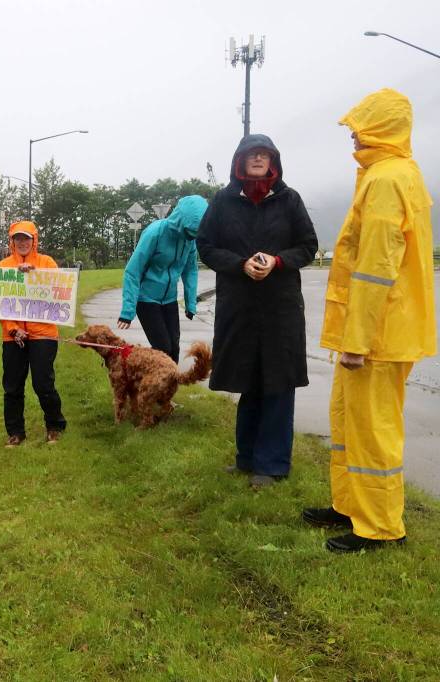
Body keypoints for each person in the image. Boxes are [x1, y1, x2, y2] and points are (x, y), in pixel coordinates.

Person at [303, 89, 436, 553]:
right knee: (348, 422)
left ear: (381, 127)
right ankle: (350, 506)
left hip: (377, 335)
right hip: (374, 331)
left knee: (373, 430)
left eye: (360, 127)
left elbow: (376, 268)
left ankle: (380, 528)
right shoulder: (393, 174)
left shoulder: (386, 180)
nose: (354, 135)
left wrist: (357, 340)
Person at [196, 134, 318, 489]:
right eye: (252, 154)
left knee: (278, 382)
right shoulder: (223, 201)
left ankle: (273, 464)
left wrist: (277, 261)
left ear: (273, 161)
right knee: (247, 379)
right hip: (239, 305)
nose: (258, 158)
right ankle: (246, 458)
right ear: (240, 161)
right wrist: (239, 264)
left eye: (264, 154)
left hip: (281, 308)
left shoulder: (289, 199)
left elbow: (307, 246)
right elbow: (206, 245)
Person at [0, 221, 67, 446]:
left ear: (34, 240)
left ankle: (55, 425)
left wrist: (36, 277)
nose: (22, 243)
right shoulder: (4, 266)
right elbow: (0, 303)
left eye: (27, 238)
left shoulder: (47, 263)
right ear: (12, 241)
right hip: (13, 335)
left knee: (43, 383)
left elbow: (57, 293)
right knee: (12, 386)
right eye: (18, 238)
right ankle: (15, 432)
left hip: (43, 334)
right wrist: (13, 328)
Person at [118, 195, 208, 363]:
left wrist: (190, 304)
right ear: (180, 220)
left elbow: (190, 271)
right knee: (163, 349)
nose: (191, 237)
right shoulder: (155, 232)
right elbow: (132, 271)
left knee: (174, 349)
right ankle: (148, 382)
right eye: (189, 232)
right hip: (146, 299)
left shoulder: (190, 241)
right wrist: (127, 312)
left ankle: (165, 388)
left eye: (195, 234)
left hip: (169, 299)